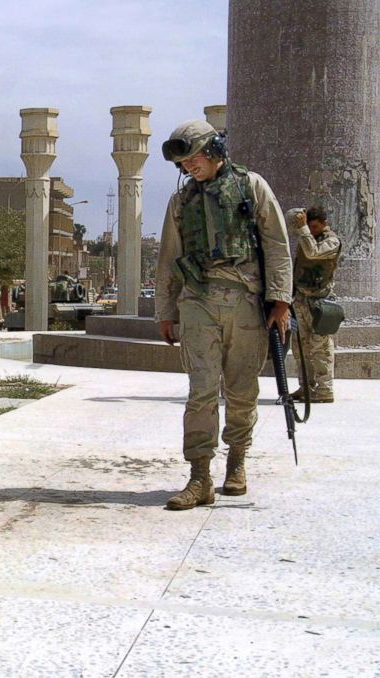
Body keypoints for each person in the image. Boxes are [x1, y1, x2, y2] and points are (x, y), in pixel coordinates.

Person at [155, 119, 293, 510]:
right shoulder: (181, 202)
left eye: (193, 158)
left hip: (246, 302)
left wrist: (280, 300)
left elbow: (277, 245)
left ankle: (237, 462)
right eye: (182, 163)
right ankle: (200, 477)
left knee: (241, 391)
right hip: (198, 302)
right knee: (200, 391)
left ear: (214, 150)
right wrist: (166, 311)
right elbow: (169, 259)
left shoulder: (252, 186)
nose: (188, 167)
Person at [287, 206, 342, 402]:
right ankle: (306, 387)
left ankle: (325, 389)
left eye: (315, 227)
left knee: (321, 347)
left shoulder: (332, 241)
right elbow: (288, 220)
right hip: (301, 300)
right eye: (309, 227)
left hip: (320, 303)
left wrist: (303, 230)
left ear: (324, 224)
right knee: (300, 347)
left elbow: (313, 252)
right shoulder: (306, 235)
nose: (312, 230)